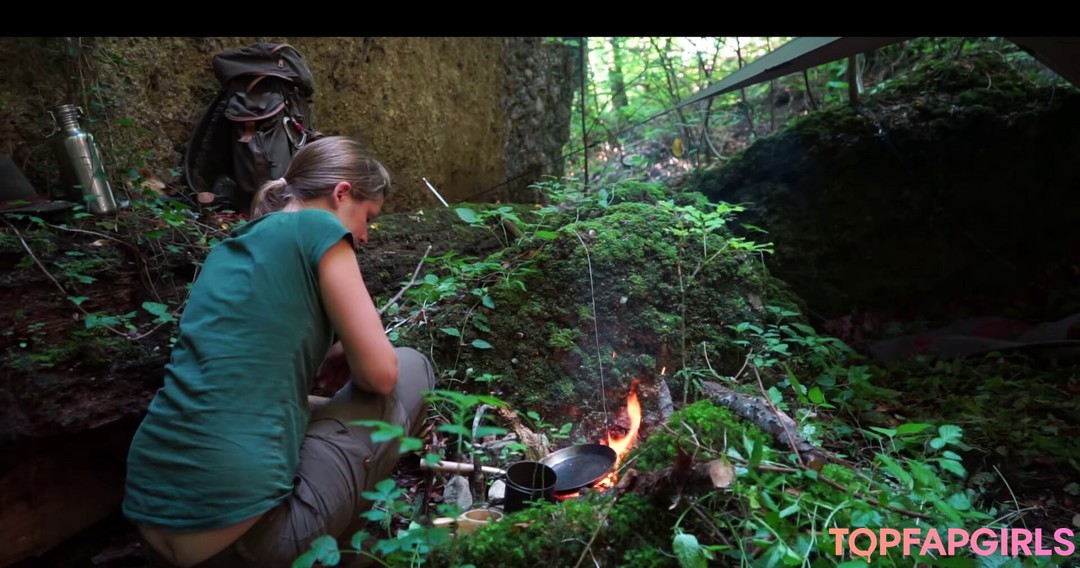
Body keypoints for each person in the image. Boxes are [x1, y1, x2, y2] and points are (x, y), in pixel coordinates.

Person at [122, 136, 436, 567]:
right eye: (368, 217)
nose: (364, 236)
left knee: (320, 407)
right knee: (411, 367)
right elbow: (381, 375)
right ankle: (348, 549)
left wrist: (334, 355)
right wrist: (358, 361)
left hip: (153, 524)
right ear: (342, 193)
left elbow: (244, 381)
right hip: (249, 543)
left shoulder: (230, 247)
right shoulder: (321, 228)